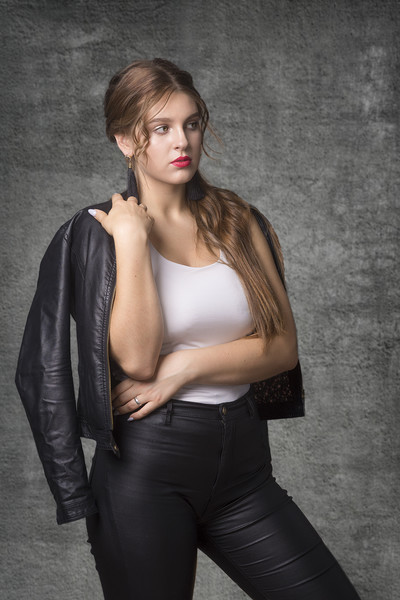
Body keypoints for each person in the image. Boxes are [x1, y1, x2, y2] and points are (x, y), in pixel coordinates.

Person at [15, 58, 361, 600]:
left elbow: (281, 347)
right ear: (126, 140)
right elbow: (137, 361)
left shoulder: (237, 219)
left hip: (243, 467)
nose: (183, 141)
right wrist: (133, 242)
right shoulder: (96, 233)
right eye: (161, 128)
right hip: (145, 469)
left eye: (192, 123)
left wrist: (185, 366)